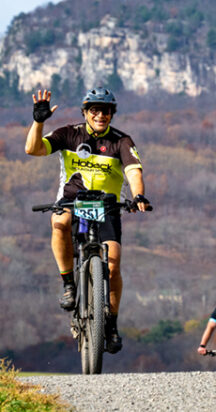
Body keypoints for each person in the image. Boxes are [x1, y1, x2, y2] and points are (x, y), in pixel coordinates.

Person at [25, 87, 151, 354]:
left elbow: (133, 170)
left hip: (107, 206)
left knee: (114, 265)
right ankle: (69, 284)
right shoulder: (69, 133)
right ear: (85, 113)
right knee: (58, 222)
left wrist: (139, 195)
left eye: (105, 111)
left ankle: (112, 324)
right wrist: (39, 122)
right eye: (94, 110)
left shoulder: (122, 140)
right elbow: (32, 149)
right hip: (73, 201)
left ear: (111, 114)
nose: (100, 115)